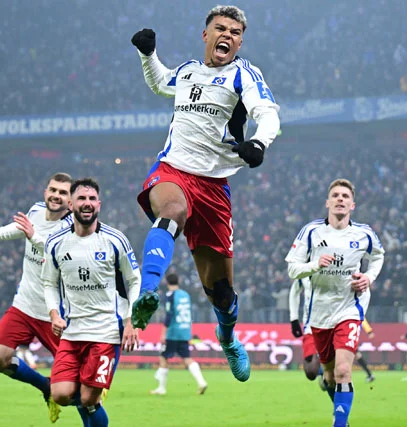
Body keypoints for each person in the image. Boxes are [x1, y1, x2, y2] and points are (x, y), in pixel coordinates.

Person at [129, 4, 281, 382]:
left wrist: (259, 143)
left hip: (214, 186)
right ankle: (147, 292)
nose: (227, 35)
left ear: (240, 42)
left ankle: (227, 337)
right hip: (173, 169)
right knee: (172, 212)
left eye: (235, 32)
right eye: (221, 28)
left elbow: (267, 112)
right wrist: (148, 54)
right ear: (206, 35)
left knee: (222, 292)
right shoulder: (188, 71)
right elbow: (161, 82)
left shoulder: (243, 74)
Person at [0, 172, 73, 422]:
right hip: (24, 306)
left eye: (63, 192)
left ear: (70, 200)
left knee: (73, 384)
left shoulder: (72, 226)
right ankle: (44, 386)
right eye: (53, 190)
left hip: (56, 314)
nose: (56, 195)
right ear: (45, 192)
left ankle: (90, 405)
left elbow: (59, 254)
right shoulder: (35, 211)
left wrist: (34, 237)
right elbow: (19, 229)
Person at [285, 179, 385, 427]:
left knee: (343, 371)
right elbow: (292, 269)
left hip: (349, 308)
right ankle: (341, 416)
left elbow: (378, 257)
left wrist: (369, 277)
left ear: (352, 205)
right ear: (328, 203)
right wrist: (314, 265)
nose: (340, 199)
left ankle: (339, 423)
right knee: (329, 376)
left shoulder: (364, 233)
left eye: (345, 196)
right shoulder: (311, 232)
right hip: (319, 313)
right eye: (336, 195)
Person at [42, 178, 140, 427]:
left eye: (92, 199)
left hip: (106, 332)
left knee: (88, 399)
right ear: (70, 204)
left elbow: (134, 280)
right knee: (60, 394)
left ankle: (92, 399)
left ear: (99, 204)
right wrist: (54, 313)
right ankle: (90, 397)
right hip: (72, 331)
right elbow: (49, 283)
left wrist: (132, 320)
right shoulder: (55, 242)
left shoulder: (115, 240)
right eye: (81, 198)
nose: (87, 203)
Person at [150, 273, 208, 396]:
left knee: (163, 357)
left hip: (173, 332)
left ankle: (161, 388)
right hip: (185, 330)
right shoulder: (185, 295)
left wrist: (163, 333)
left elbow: (169, 315)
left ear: (167, 282)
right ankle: (201, 382)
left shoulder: (170, 295)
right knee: (187, 358)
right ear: (178, 281)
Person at [289, 278, 322, 384]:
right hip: (311, 327)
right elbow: (295, 290)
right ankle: (325, 373)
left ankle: (328, 374)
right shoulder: (304, 272)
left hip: (334, 324)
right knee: (311, 371)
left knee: (338, 368)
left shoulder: (337, 271)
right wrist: (294, 319)